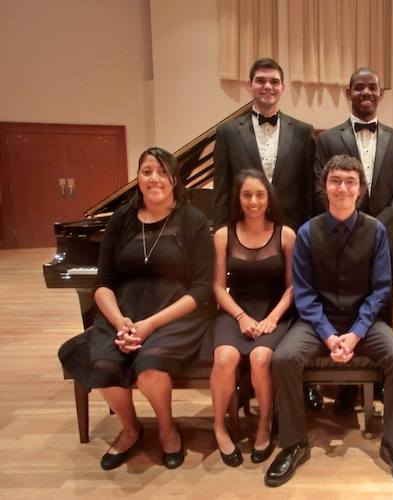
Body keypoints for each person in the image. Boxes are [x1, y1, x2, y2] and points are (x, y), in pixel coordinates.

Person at [265, 155, 393, 489]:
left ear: (360, 189)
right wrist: (327, 333)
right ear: (325, 187)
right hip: (317, 320)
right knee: (284, 358)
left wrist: (355, 333)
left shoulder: (376, 231)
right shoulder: (307, 233)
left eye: (350, 181)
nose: (342, 187)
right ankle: (293, 444)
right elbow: (303, 293)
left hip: (363, 321)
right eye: (335, 180)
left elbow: (381, 290)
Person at [58, 147, 215, 470]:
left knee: (149, 366)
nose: (154, 178)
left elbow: (201, 290)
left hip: (174, 313)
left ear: (174, 178)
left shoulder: (193, 219)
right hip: (124, 313)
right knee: (102, 365)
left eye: (161, 172)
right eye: (146, 171)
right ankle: (131, 429)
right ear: (138, 178)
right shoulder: (122, 219)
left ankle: (168, 428)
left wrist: (150, 325)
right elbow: (103, 282)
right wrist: (119, 322)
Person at [314, 67, 393, 414]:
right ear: (348, 93)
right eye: (359, 88)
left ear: (380, 93)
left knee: (382, 308)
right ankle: (346, 385)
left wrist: (374, 225)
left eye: (372, 87)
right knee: (343, 305)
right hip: (340, 239)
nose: (366, 93)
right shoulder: (328, 139)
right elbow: (320, 186)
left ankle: (381, 379)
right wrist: (354, 223)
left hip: (386, 237)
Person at [210, 169, 296, 467]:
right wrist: (240, 315)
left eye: (260, 194)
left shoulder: (286, 234)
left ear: (268, 198)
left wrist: (272, 318)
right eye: (247, 195)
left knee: (261, 357)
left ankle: (264, 424)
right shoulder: (223, 234)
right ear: (239, 198)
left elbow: (293, 287)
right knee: (224, 359)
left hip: (275, 311)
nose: (253, 201)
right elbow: (218, 286)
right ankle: (219, 426)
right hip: (236, 311)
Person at [213, 57, 316, 232]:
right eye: (261, 80)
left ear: (282, 88)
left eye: (274, 82)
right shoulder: (227, 133)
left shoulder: (303, 133)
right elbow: (222, 191)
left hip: (291, 230)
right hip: (242, 230)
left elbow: (309, 191)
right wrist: (222, 234)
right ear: (250, 85)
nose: (268, 86)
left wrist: (310, 234)